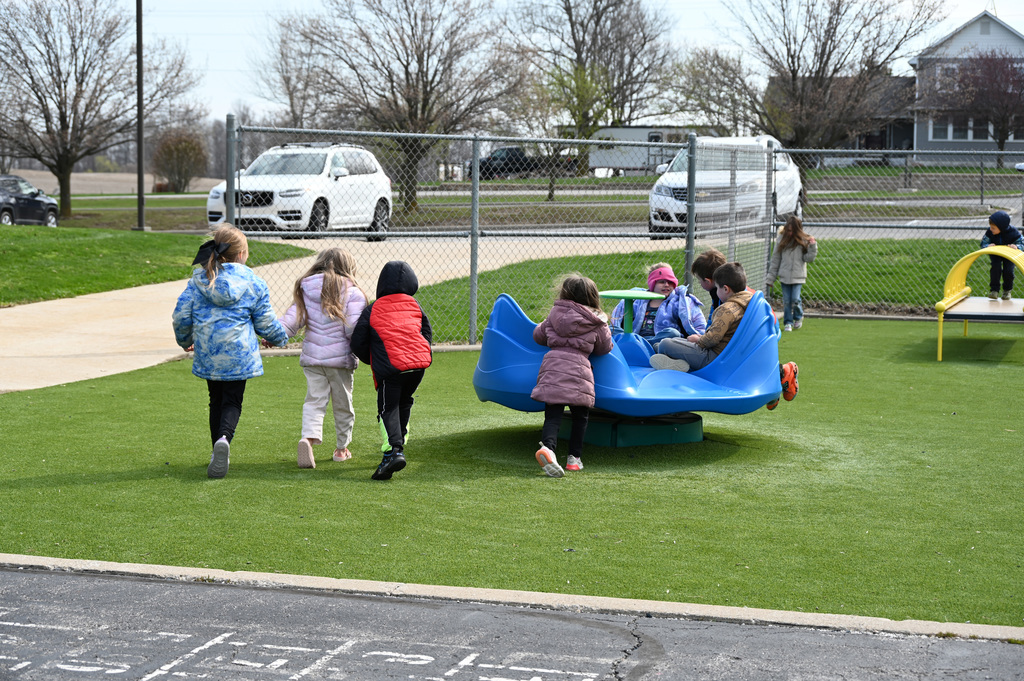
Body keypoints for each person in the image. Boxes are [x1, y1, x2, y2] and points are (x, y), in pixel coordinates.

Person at [172, 224, 289, 479]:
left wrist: (184, 339)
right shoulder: (253, 283)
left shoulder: (199, 281)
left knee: (216, 399)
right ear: (241, 255)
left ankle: (217, 448)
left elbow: (181, 315)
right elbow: (265, 321)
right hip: (240, 355)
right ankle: (224, 438)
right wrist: (280, 338)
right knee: (233, 401)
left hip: (209, 354)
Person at [278, 248, 368, 469]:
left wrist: (275, 336)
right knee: (343, 404)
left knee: (314, 401)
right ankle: (341, 448)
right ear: (348, 268)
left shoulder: (306, 289)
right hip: (340, 361)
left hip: (313, 359)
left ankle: (307, 439)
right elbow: (353, 330)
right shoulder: (353, 293)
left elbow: (291, 321)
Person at [351, 261, 432, 481]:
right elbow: (426, 332)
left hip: (390, 368)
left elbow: (357, 341)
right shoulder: (415, 304)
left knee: (387, 408)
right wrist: (419, 354)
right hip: (417, 367)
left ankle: (393, 452)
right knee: (404, 401)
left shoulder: (375, 307)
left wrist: (373, 360)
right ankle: (400, 442)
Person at [532, 274, 614, 477]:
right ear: (592, 297)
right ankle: (574, 459)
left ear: (564, 293)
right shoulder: (596, 321)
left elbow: (538, 336)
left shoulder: (554, 314)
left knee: (553, 415)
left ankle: (548, 448)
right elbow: (605, 348)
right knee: (580, 417)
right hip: (579, 371)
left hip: (553, 367)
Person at [650, 262, 752, 373]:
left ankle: (677, 360)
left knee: (666, 344)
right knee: (672, 342)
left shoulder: (727, 309)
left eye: (717, 288)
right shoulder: (749, 301)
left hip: (713, 359)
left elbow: (712, 340)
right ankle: (675, 362)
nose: (716, 292)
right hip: (731, 356)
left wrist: (698, 339)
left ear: (726, 289)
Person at [609, 263, 705, 350]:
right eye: (662, 282)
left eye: (670, 281)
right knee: (609, 329)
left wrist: (700, 337)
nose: (666, 285)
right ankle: (637, 345)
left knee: (673, 333)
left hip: (661, 340)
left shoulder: (680, 301)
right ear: (652, 283)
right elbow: (617, 318)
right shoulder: (638, 300)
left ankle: (641, 347)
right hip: (637, 337)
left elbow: (698, 324)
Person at [766, 215, 818, 331]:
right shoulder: (781, 240)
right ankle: (788, 322)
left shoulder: (803, 241)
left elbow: (808, 258)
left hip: (798, 276)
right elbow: (776, 260)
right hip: (784, 275)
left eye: (792, 231)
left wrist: (812, 246)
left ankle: (798, 317)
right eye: (788, 230)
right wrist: (771, 278)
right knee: (787, 301)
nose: (790, 233)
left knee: (795, 299)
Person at [981, 210, 1024, 300]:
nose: (991, 229)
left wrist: (1016, 246)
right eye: (990, 227)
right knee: (995, 269)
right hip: (996, 254)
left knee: (1008, 271)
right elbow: (983, 243)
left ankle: (1007, 291)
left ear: (1002, 227)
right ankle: (994, 291)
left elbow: (1022, 243)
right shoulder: (990, 232)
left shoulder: (1013, 232)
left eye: (993, 228)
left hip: (1009, 255)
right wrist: (987, 246)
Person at [691, 248, 727, 325]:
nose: (699, 283)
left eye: (699, 280)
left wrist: (703, 337)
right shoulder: (733, 285)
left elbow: (717, 325)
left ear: (708, 281)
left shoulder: (720, 297)